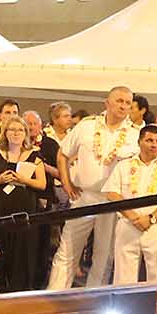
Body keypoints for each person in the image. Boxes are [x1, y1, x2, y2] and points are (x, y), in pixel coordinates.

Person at [50, 87, 140, 290]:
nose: (123, 106)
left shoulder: (135, 135)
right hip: (83, 196)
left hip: (113, 201)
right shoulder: (86, 126)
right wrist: (67, 183)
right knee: (67, 249)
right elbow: (63, 154)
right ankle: (55, 295)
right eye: (119, 101)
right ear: (107, 103)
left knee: (104, 254)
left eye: (128, 103)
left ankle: (92, 297)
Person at [104, 123, 157, 284]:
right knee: (123, 277)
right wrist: (133, 216)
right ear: (139, 142)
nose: (154, 145)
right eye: (149, 140)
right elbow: (111, 193)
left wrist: (151, 218)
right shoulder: (124, 165)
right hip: (128, 225)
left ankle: (155, 302)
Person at [0, 116, 47, 292]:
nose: (16, 133)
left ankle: (18, 287)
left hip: (23, 208)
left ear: (26, 133)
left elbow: (42, 184)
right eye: (12, 130)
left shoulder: (35, 156)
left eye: (20, 130)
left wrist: (24, 180)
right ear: (5, 133)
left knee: (21, 247)